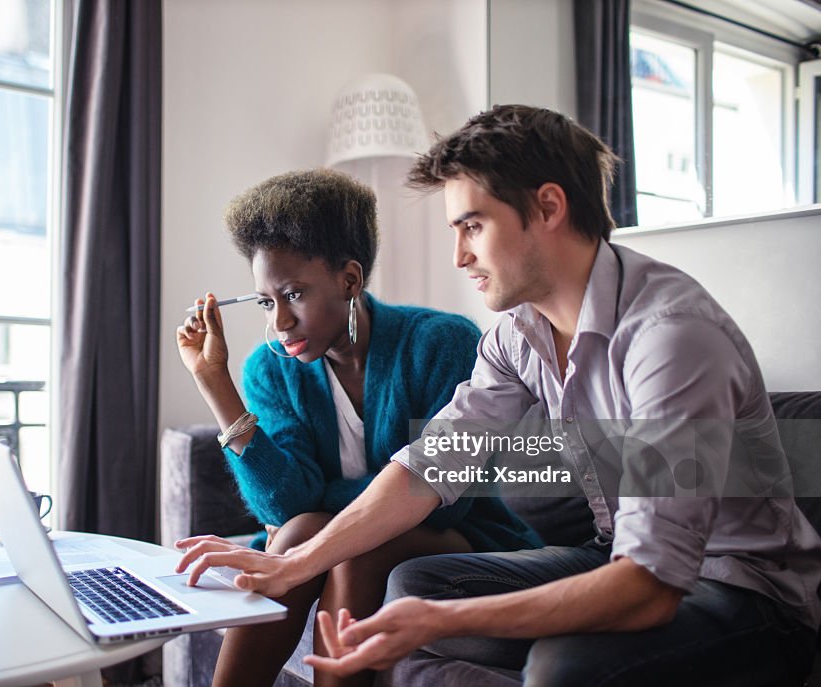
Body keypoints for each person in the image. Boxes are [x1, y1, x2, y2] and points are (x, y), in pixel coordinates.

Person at [176, 107, 821, 686]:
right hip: (611, 551)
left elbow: (653, 583)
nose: (459, 256)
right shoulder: (517, 335)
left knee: (559, 666)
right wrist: (297, 561)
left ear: (547, 207)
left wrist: (432, 624)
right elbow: (431, 467)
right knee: (414, 581)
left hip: (739, 592)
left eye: (472, 227)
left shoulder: (670, 339)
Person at [175, 168, 540, 687]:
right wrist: (215, 383)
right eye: (265, 301)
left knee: (353, 546)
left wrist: (323, 500)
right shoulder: (271, 367)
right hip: (337, 534)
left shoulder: (440, 343)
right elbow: (286, 505)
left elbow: (444, 499)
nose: (279, 322)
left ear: (349, 279)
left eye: (294, 294)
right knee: (302, 529)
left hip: (462, 538)